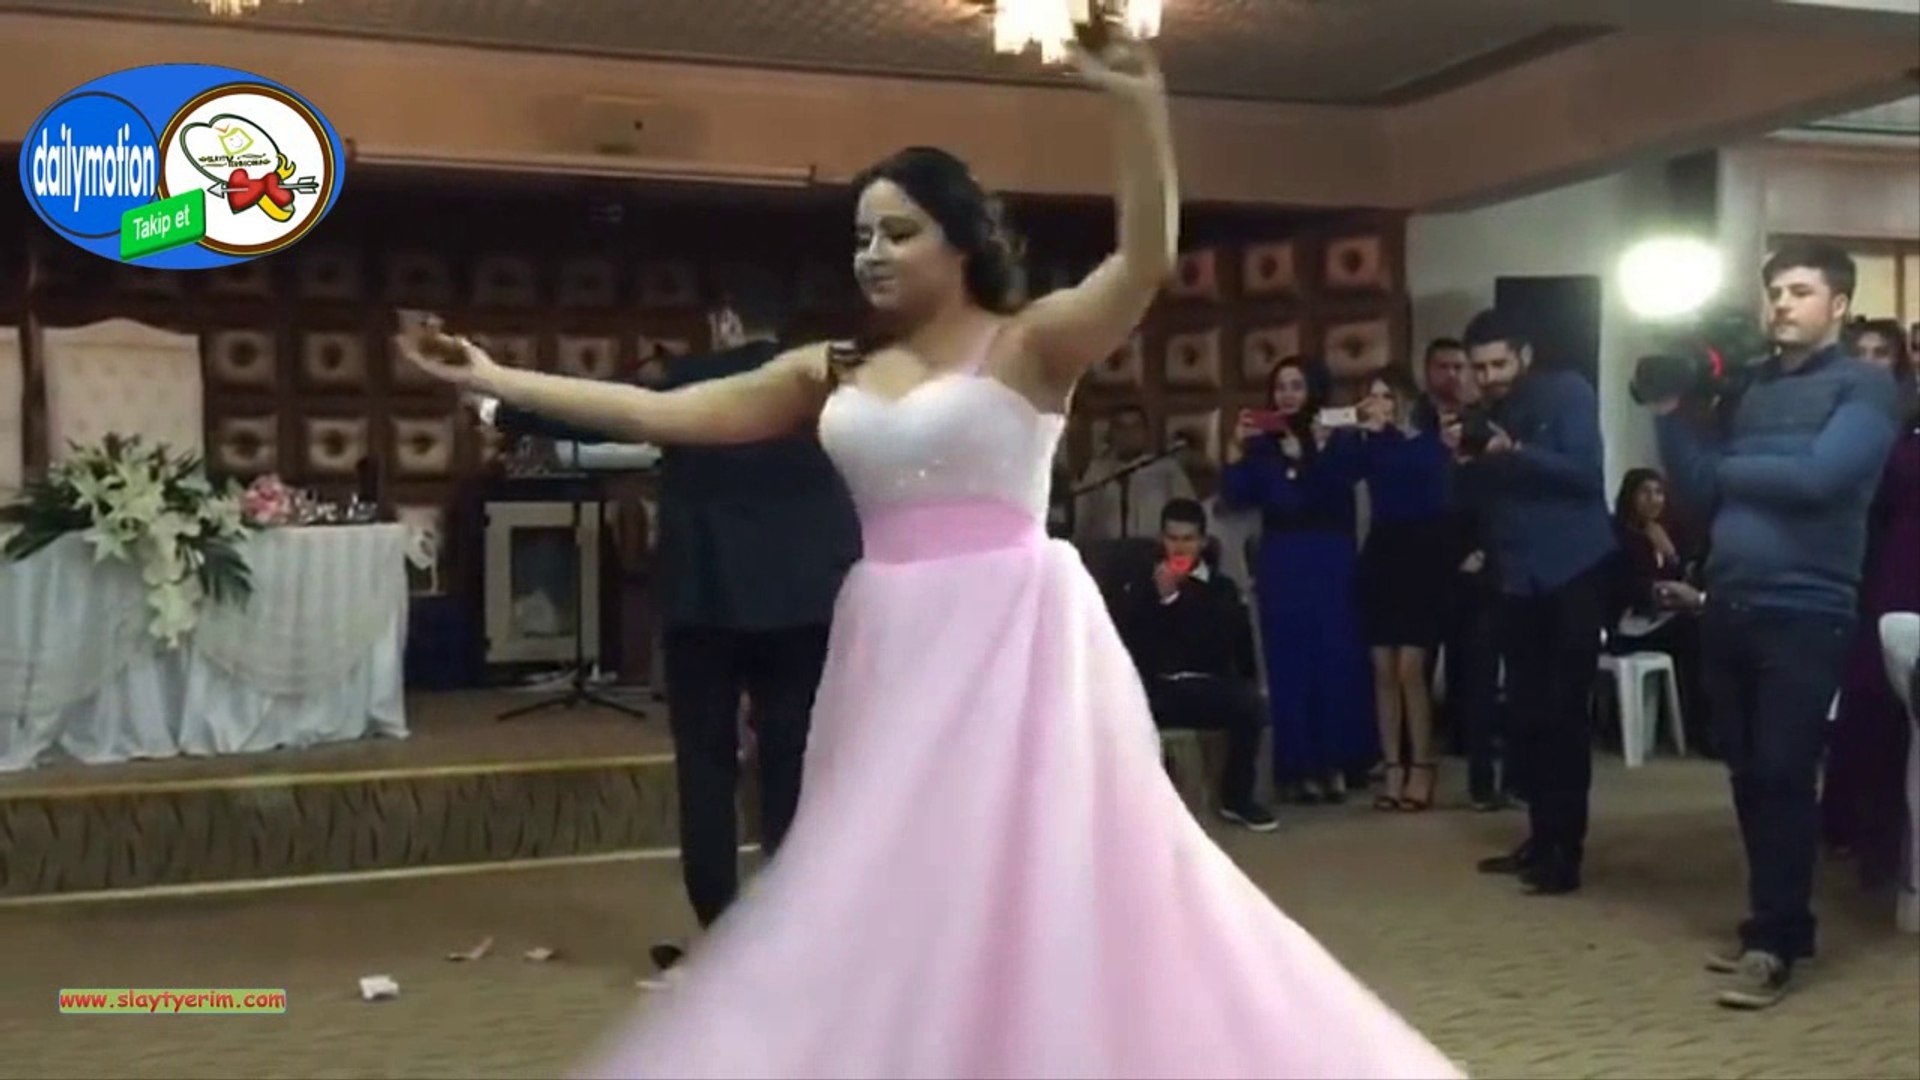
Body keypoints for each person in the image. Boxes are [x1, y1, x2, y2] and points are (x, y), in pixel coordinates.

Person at [398, 30, 1460, 1079]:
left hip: (1011, 639)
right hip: (889, 641)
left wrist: (1138, 106)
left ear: (960, 241)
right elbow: (655, 412)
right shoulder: (833, 368)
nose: (870, 253)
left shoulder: (1032, 342)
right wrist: (493, 376)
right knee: (893, 878)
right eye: (861, 235)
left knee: (1030, 876)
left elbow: (1144, 260)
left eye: (897, 232)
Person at [477, 269, 861, 968]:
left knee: (706, 766)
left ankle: (718, 934)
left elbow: (599, 413)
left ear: (725, 322)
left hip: (706, 602)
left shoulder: (692, 381)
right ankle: (794, 935)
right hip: (805, 601)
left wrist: (495, 408)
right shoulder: (825, 384)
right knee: (793, 761)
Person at [1653, 240, 1901, 1009]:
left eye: (1801, 291)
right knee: (1747, 776)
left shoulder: (1867, 387)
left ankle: (1777, 944)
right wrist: (1670, 413)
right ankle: (1774, 923)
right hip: (1729, 601)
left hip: (1809, 607)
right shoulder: (1751, 387)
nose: (1783, 304)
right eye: (1776, 292)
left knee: (1786, 772)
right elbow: (1696, 489)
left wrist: (1731, 471)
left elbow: (1823, 478)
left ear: (1839, 304)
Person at [1446, 308, 1614, 897]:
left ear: (1523, 356)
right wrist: (1465, 459)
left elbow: (1586, 475)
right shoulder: (1481, 414)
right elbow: (1470, 499)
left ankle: (1565, 853)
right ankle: (1542, 838)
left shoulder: (1567, 392)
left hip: (1574, 571)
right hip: (1516, 579)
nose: (1489, 376)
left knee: (1565, 716)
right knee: (1528, 714)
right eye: (1479, 367)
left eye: (1498, 364)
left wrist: (1512, 450)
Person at [1223, 356, 1377, 805]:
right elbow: (1239, 496)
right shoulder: (1263, 442)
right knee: (1289, 663)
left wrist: (1310, 455)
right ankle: (1298, 767)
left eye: (1296, 385)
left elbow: (1333, 493)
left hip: (1330, 559)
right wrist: (1234, 448)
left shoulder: (1340, 438)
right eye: (1280, 387)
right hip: (1284, 561)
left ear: (1314, 390)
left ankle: (1337, 763)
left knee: (1335, 659)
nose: (1287, 395)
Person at [1822, 318, 1919, 891]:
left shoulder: (1905, 416)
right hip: (1876, 566)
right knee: (1871, 701)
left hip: (1900, 562)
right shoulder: (1861, 415)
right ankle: (1866, 837)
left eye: (1883, 352)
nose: (1871, 361)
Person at [1116, 498, 1275, 831]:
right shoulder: (1141, 585)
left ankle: (1237, 798)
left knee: (1249, 705)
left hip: (1207, 688)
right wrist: (1159, 600)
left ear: (1202, 542)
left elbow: (1218, 645)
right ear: (1161, 539)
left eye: (1188, 539)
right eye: (1172, 538)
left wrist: (1175, 600)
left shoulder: (1221, 588)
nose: (1179, 547)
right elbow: (1131, 642)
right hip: (1159, 689)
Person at [1414, 339, 1509, 811]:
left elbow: (1500, 495)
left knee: (1478, 673)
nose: (1453, 375)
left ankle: (1482, 780)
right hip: (1422, 562)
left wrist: (1484, 549)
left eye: (1460, 367)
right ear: (1427, 370)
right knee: (1415, 672)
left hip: (1477, 565)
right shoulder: (1412, 423)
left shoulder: (1486, 423)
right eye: (1443, 367)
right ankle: (1413, 771)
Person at [1354, 371, 1453, 811]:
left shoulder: (1431, 445)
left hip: (1422, 556)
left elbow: (1435, 496)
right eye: (1371, 396)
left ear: (1404, 398)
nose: (1377, 403)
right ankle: (1392, 764)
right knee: (1382, 667)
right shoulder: (1372, 444)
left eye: (1385, 395)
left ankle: (1422, 765)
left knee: (1411, 667)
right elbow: (1345, 475)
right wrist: (1360, 434)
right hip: (1382, 554)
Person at [1604, 468, 1709, 755]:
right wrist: (1660, 591)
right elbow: (1623, 586)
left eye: (1659, 493)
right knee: (1693, 631)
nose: (1654, 500)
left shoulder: (1667, 531)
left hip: (1663, 616)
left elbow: (1684, 575)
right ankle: (1699, 729)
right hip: (1629, 622)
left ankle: (1708, 724)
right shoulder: (1617, 535)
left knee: (1709, 626)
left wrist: (1671, 554)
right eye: (1645, 493)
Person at [1073, 402, 1195, 542]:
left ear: (1146, 433)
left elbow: (1188, 514)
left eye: (1135, 426)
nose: (1128, 433)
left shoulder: (1166, 469)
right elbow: (1082, 520)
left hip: (1154, 548)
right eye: (1121, 427)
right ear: (1111, 433)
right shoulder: (1097, 471)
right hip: (1107, 550)